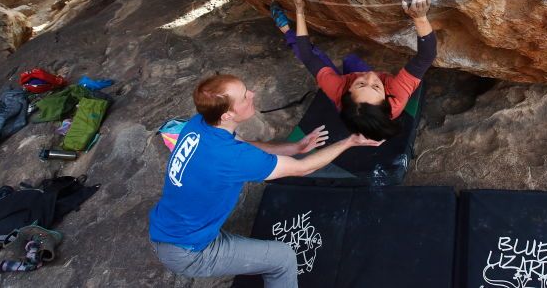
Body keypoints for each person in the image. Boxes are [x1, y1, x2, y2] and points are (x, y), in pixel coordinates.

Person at [148, 73, 383, 285]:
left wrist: (294, 147)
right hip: (190, 252)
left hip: (169, 228)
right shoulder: (230, 158)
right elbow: (302, 169)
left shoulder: (199, 123)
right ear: (228, 114)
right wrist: (349, 142)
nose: (252, 93)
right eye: (244, 97)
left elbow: (242, 146)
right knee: (283, 258)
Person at [270, 0, 437, 140]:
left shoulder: (336, 88)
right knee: (350, 60)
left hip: (345, 88)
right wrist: (420, 18)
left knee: (318, 57)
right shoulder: (396, 95)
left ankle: (284, 29)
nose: (371, 76)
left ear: (347, 90)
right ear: (386, 97)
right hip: (365, 94)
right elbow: (426, 56)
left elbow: (307, 56)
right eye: (376, 86)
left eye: (361, 84)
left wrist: (300, 11)